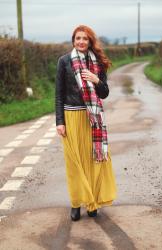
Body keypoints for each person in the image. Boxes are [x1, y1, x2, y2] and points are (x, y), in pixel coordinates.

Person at [56, 25, 117, 221]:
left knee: (93, 161)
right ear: (73, 40)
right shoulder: (64, 62)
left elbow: (105, 93)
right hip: (72, 117)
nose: (81, 41)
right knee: (74, 163)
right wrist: (60, 121)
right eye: (78, 38)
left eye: (85, 39)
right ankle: (76, 203)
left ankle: (92, 203)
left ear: (90, 41)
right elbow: (59, 94)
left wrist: (96, 80)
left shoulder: (97, 62)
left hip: (93, 119)